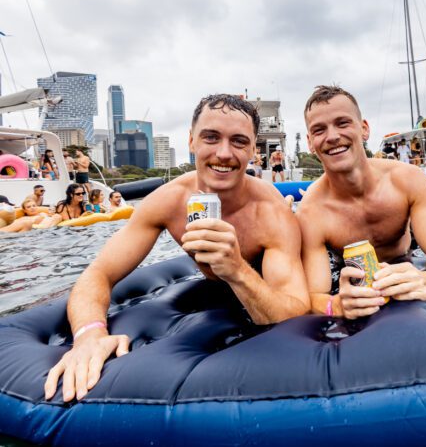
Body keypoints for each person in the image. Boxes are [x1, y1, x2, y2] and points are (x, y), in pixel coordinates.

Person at [44, 94, 309, 403]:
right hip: (211, 292)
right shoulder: (169, 200)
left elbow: (295, 312)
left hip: (263, 288)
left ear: (252, 150)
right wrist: (89, 336)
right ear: (191, 141)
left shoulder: (270, 213)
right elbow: (98, 274)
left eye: (238, 142)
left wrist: (236, 268)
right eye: (211, 137)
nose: (223, 153)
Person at [297, 85, 426, 320]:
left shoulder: (407, 179)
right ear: (310, 143)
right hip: (349, 273)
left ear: (364, 129)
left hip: (407, 253)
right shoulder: (311, 213)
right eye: (319, 130)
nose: (332, 136)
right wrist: (336, 306)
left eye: (342, 123)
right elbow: (314, 294)